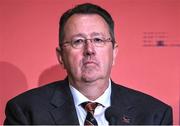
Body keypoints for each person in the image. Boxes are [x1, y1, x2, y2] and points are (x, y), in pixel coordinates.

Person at [4, 3, 173, 125]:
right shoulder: (26, 112)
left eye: (98, 39)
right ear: (61, 56)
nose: (89, 50)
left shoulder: (154, 115)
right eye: (78, 41)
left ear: (114, 52)